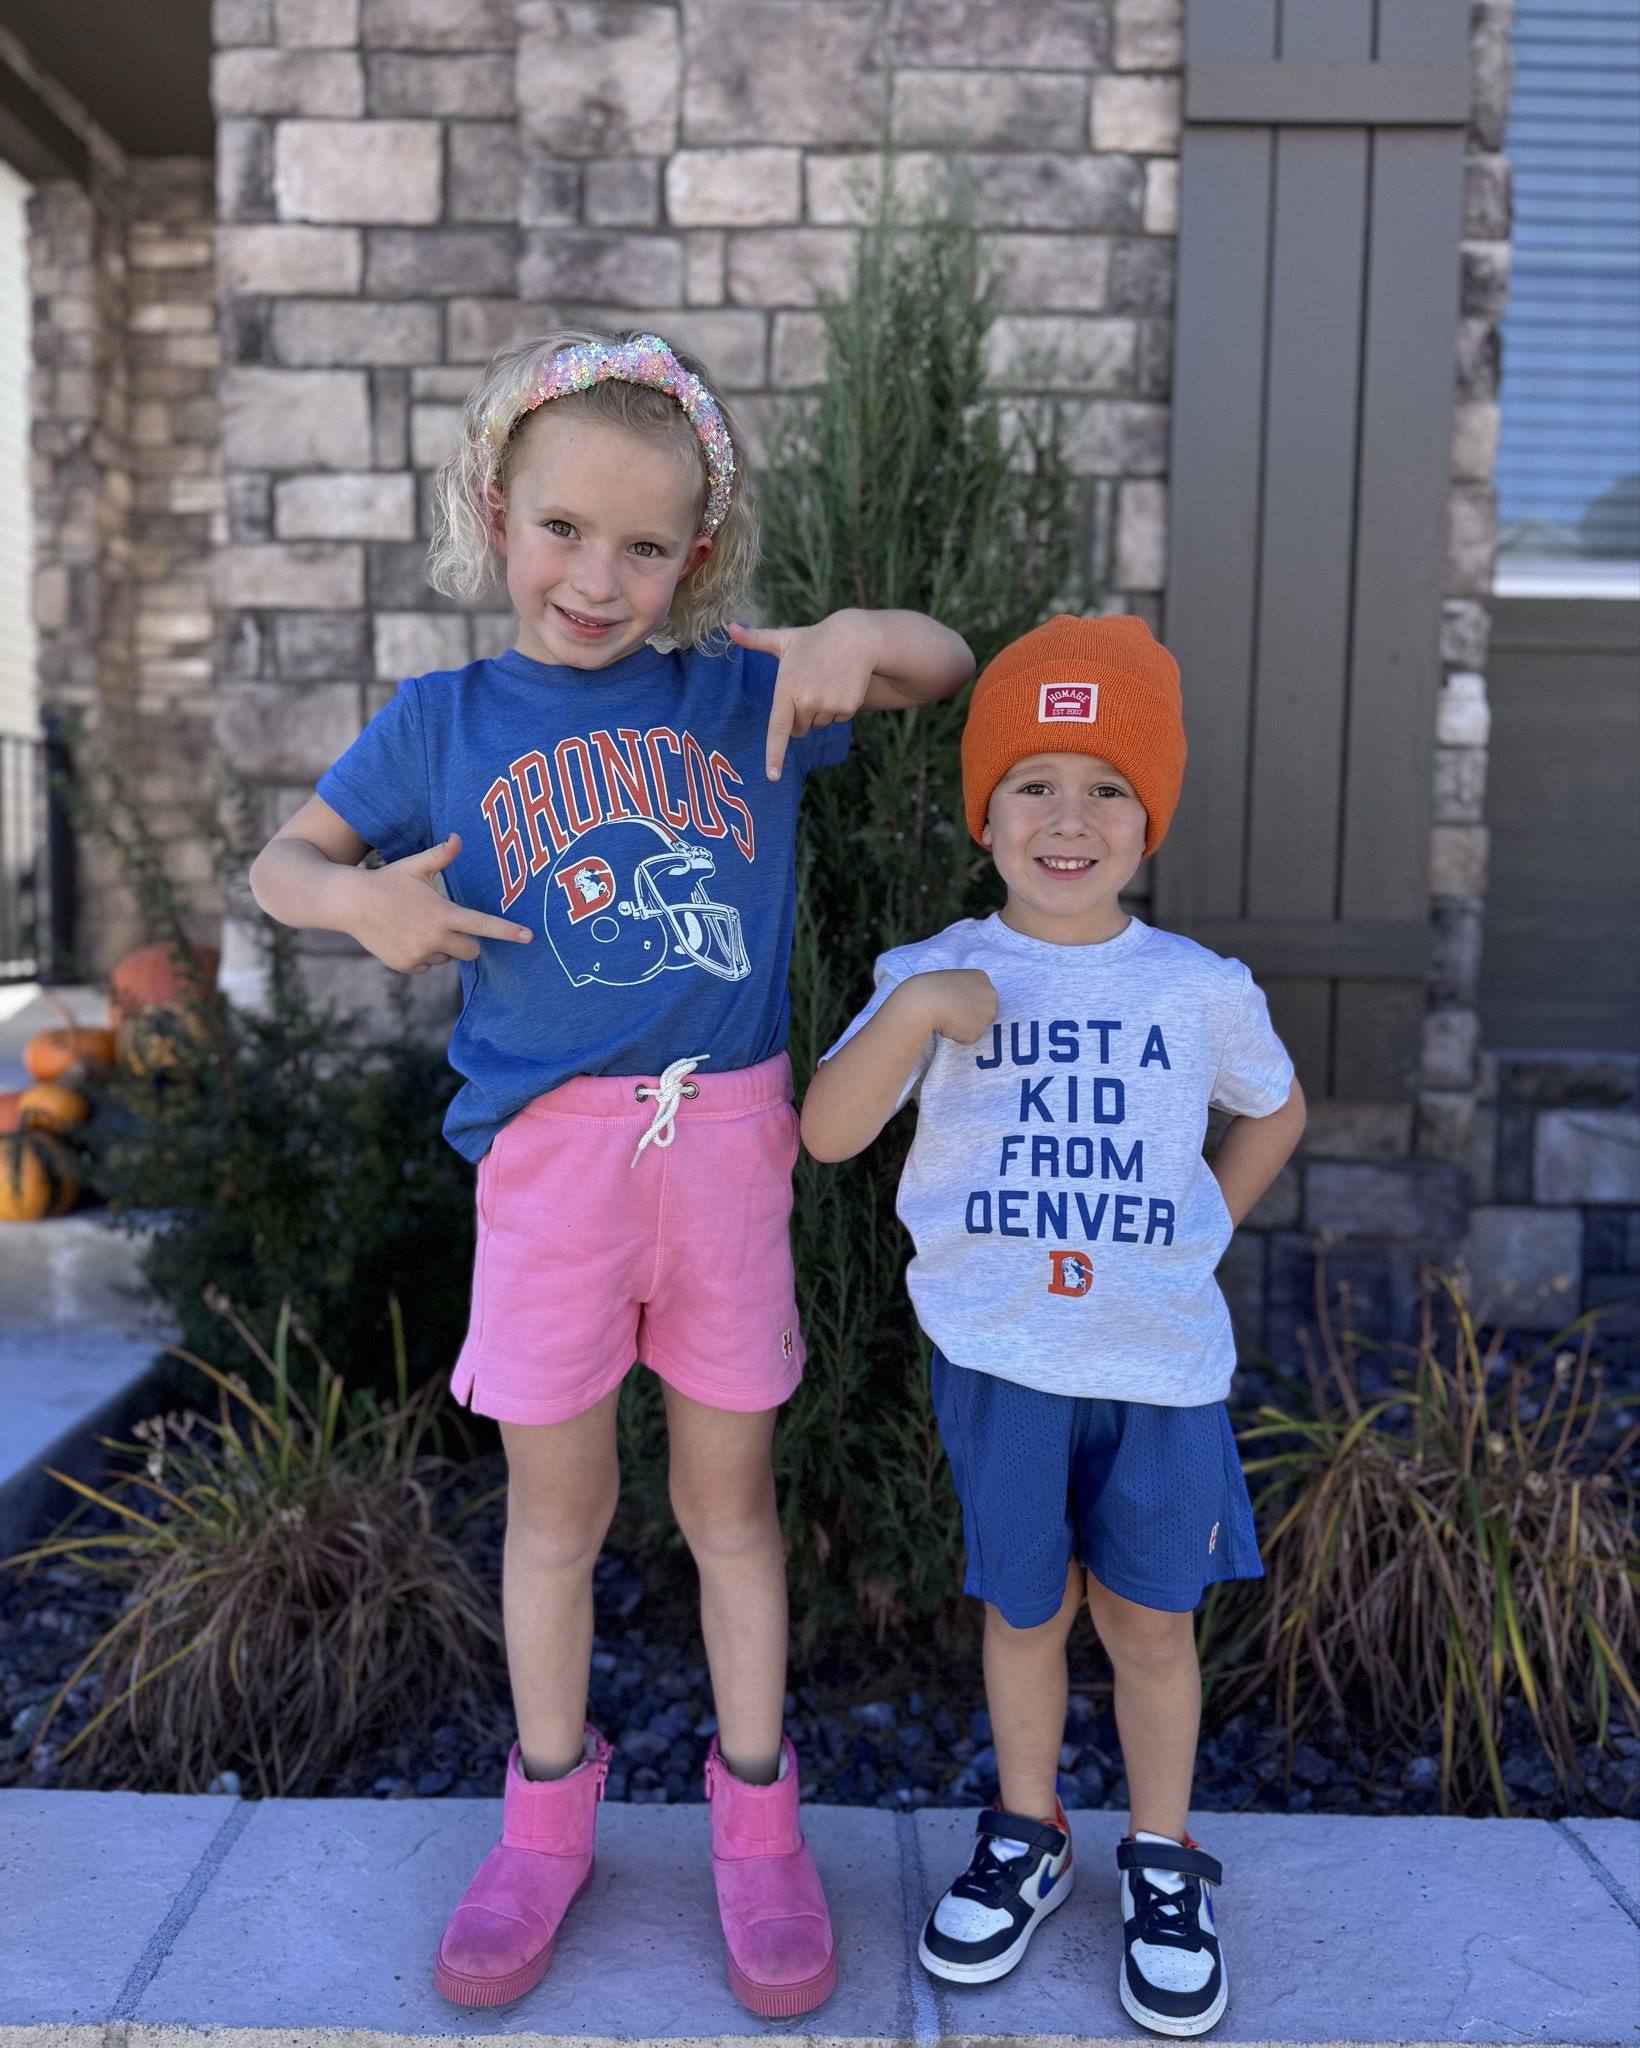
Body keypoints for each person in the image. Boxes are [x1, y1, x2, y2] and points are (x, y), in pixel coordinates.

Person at [248, 328, 973, 2017]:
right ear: (496, 513)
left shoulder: (740, 691)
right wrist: (360, 902)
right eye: (565, 528)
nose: (599, 574)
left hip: (722, 1148)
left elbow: (939, 663)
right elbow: (283, 861)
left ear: (697, 558)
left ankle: (757, 1828)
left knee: (730, 1508)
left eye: (647, 544)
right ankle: (547, 1822)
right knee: (557, 1514)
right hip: (554, 1170)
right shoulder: (440, 721)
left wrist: (865, 634)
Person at [799, 614, 1305, 2037]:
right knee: (1023, 1609)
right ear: (985, 810)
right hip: (1004, 1366)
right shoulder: (934, 967)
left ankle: (1162, 1854)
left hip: (1158, 1372)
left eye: (1106, 786)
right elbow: (829, 1134)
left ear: (1151, 814)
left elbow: (1277, 1106)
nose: (1068, 817)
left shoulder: (1196, 987)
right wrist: (918, 1017)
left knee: (1149, 1620)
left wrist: (1204, 1220)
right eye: (1034, 781)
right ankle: (1029, 1833)